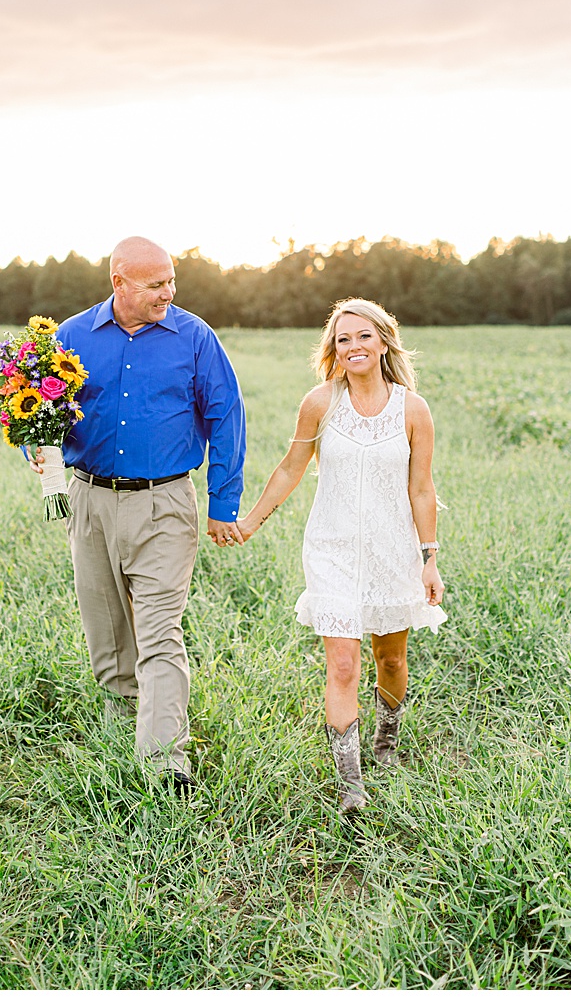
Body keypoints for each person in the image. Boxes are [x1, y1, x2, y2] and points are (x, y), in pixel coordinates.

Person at [30, 235, 247, 790]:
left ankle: (164, 761)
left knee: (159, 631)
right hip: (89, 499)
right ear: (118, 283)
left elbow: (226, 415)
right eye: (155, 284)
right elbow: (36, 411)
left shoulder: (194, 337)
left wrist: (223, 503)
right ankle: (120, 722)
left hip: (165, 502)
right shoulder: (71, 336)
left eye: (171, 281)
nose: (168, 293)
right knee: (105, 625)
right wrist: (38, 447)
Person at [238, 298, 446, 815]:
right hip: (331, 551)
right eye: (342, 338)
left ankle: (386, 742)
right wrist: (251, 521)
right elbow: (290, 468)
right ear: (333, 348)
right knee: (344, 663)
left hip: (393, 551)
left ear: (384, 342)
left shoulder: (413, 409)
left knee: (390, 659)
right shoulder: (320, 403)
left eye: (363, 336)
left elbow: (421, 488)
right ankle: (351, 785)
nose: (353, 346)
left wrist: (430, 558)